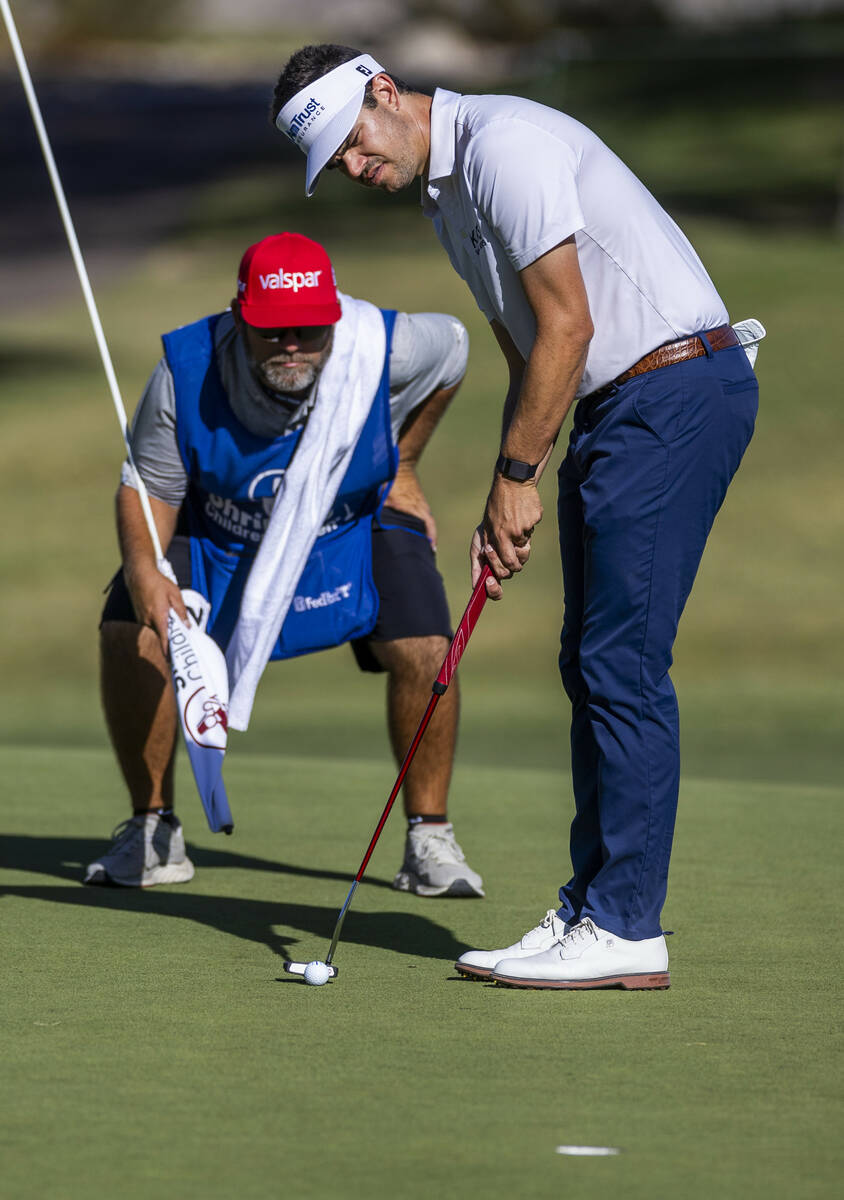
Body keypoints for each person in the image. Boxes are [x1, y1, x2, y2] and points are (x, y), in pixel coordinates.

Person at [271, 48, 762, 988]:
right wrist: (510, 494)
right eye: (335, 166)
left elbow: (570, 329)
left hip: (673, 390)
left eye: (352, 146)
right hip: (618, 411)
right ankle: (593, 908)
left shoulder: (505, 146)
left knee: (622, 661)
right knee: (589, 658)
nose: (354, 170)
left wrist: (516, 476)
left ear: (384, 93)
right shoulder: (445, 197)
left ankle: (626, 925)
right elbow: (528, 348)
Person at [87, 231, 485, 900]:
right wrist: (143, 572)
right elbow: (149, 485)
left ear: (333, 318)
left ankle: (429, 838)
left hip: (349, 518)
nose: (293, 344)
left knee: (427, 645)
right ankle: (152, 830)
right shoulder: (186, 370)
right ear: (241, 316)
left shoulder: (388, 345)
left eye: (308, 329)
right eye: (273, 331)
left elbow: (457, 351)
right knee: (129, 622)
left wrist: (406, 461)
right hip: (221, 529)